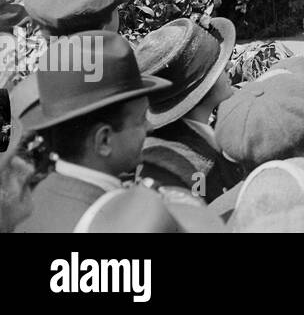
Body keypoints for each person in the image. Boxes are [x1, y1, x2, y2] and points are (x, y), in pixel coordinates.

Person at [15, 32, 169, 233]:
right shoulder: (114, 226)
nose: (150, 127)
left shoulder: (29, 201)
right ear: (103, 140)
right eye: (141, 119)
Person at [132, 16, 240, 203]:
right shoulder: (197, 170)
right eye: (220, 66)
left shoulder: (157, 143)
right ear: (205, 85)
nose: (229, 67)